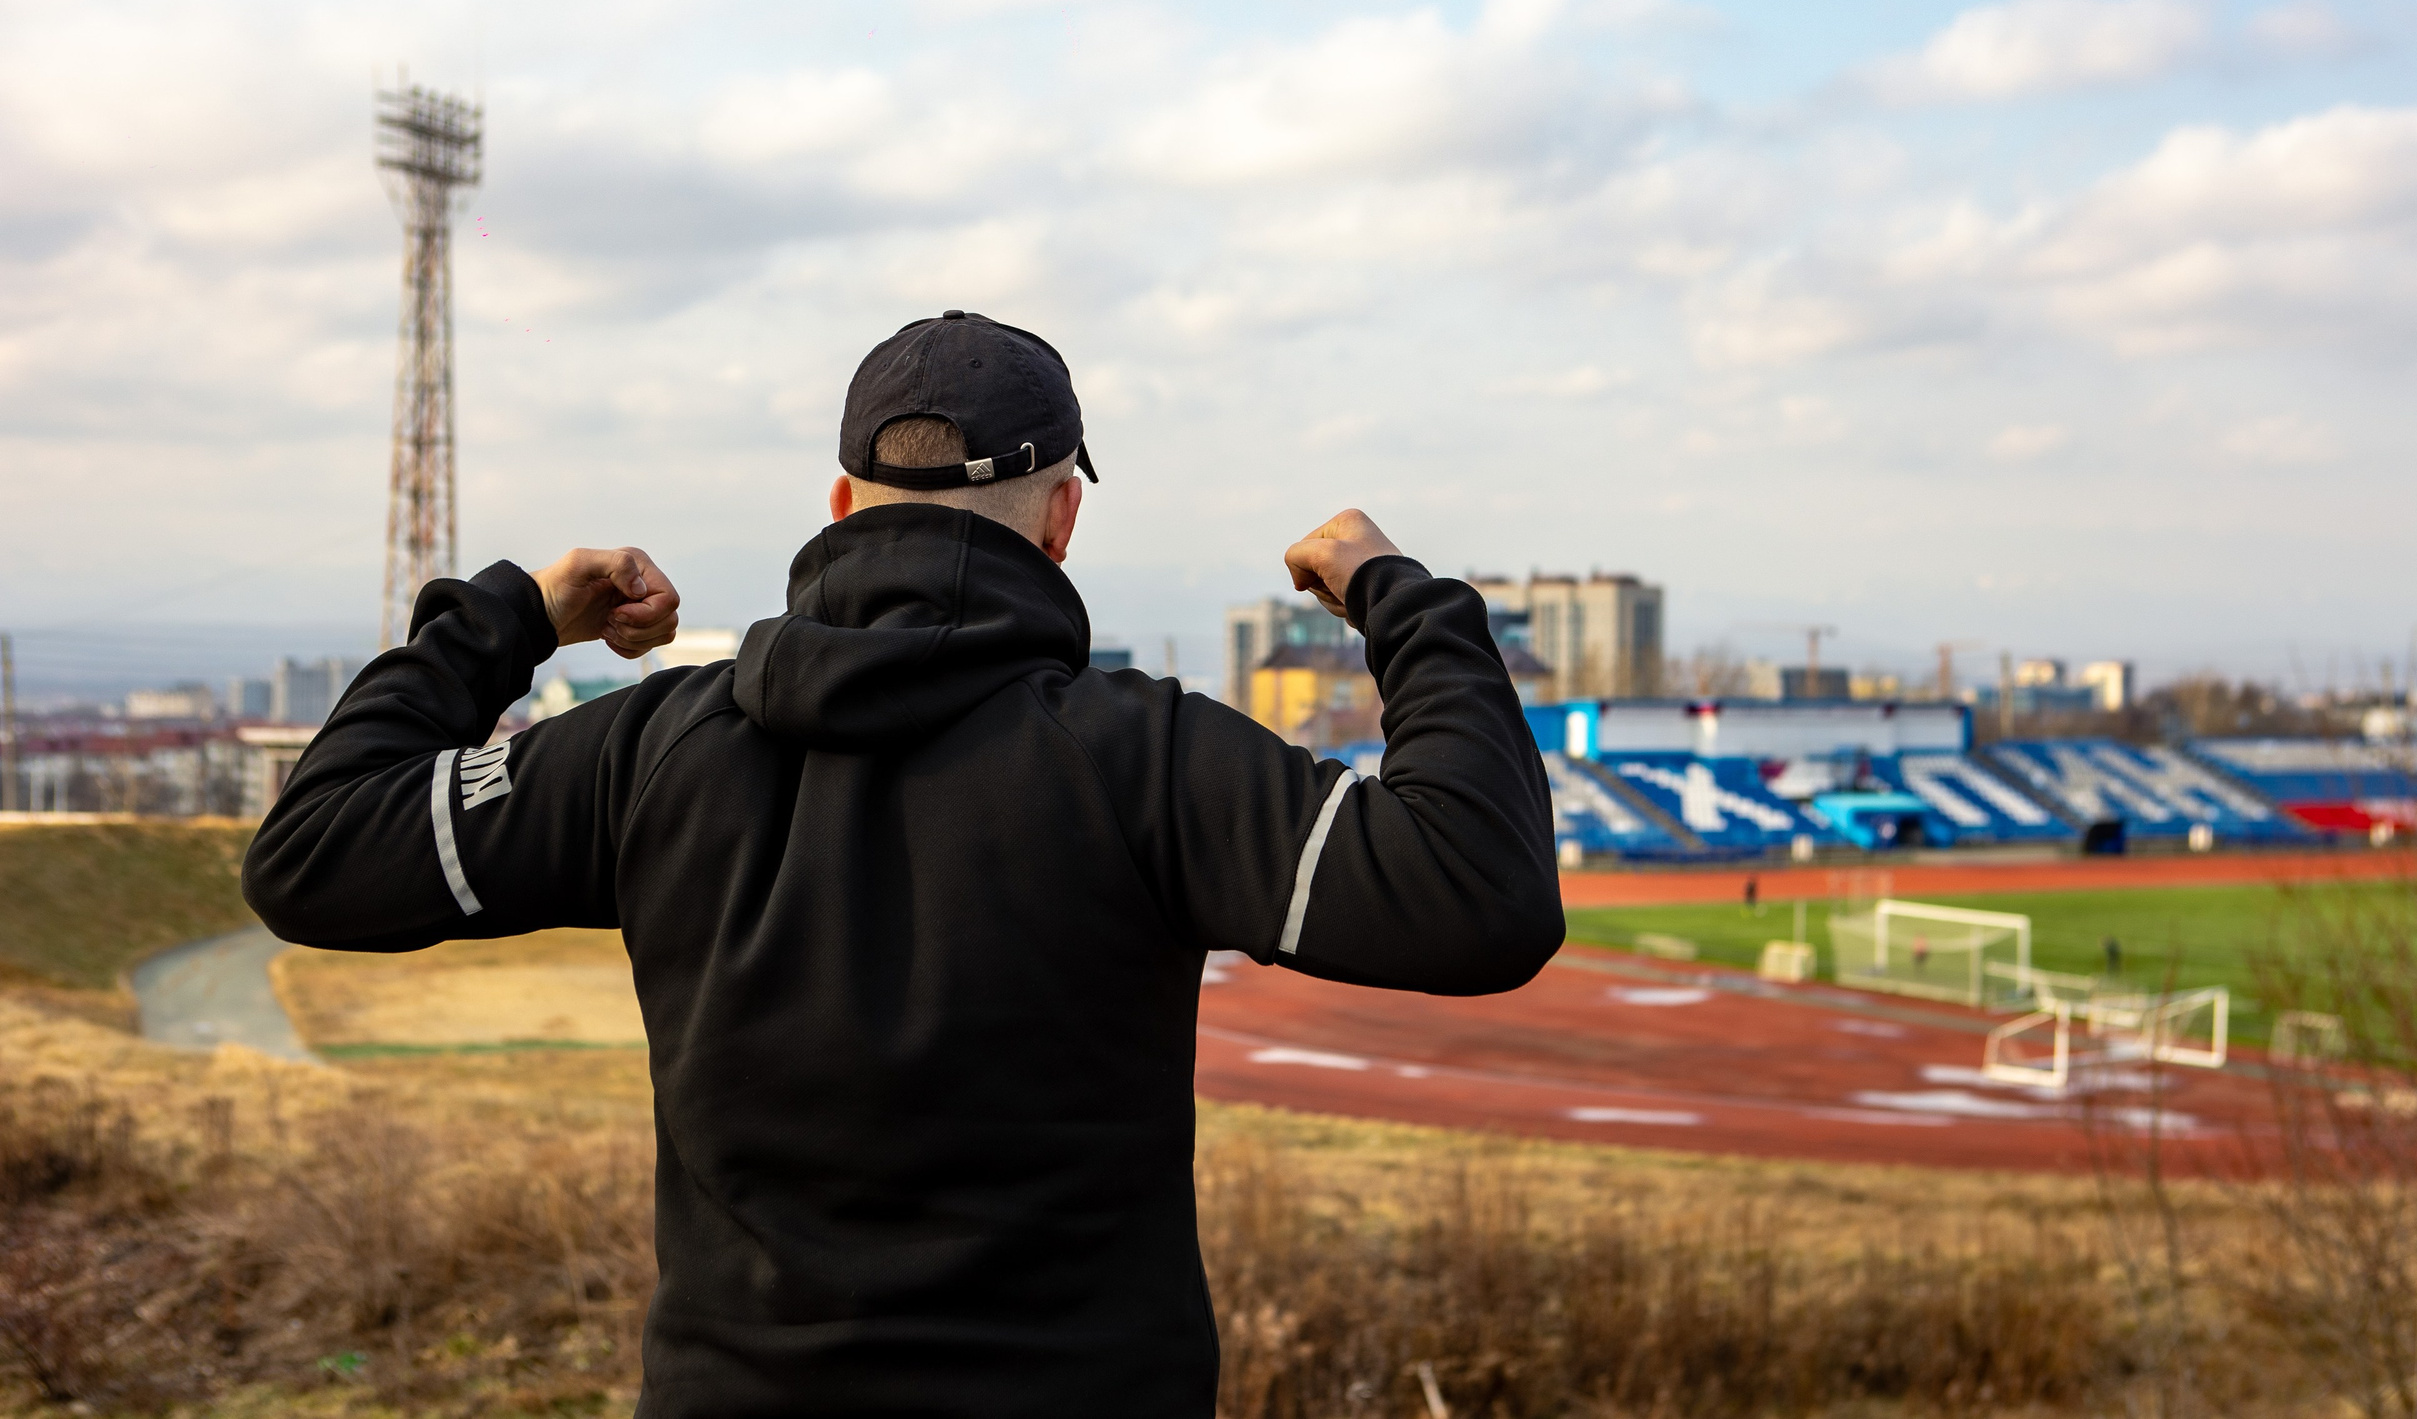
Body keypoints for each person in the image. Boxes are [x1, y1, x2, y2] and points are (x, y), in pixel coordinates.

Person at [242, 310, 1562, 1417]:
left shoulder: (650, 751)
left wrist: (512, 619)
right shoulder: (1148, 759)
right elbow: (1480, 892)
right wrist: (1399, 595)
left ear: (838, 506)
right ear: (1060, 518)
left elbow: (312, 852)